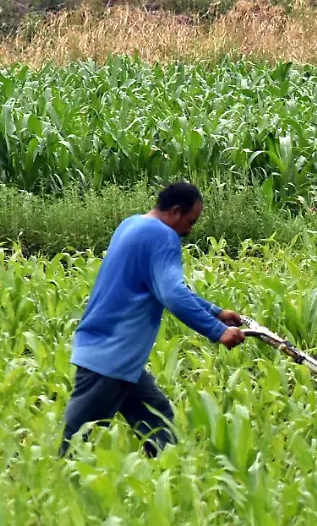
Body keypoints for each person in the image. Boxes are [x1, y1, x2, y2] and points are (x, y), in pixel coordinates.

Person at [61, 182, 246, 457]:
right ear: (174, 212)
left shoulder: (132, 225)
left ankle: (170, 480)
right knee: (76, 440)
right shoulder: (163, 236)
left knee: (157, 418)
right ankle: (57, 485)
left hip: (119, 356)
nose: (189, 230)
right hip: (108, 356)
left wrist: (215, 312)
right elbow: (172, 295)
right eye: (190, 221)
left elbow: (166, 288)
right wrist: (217, 331)